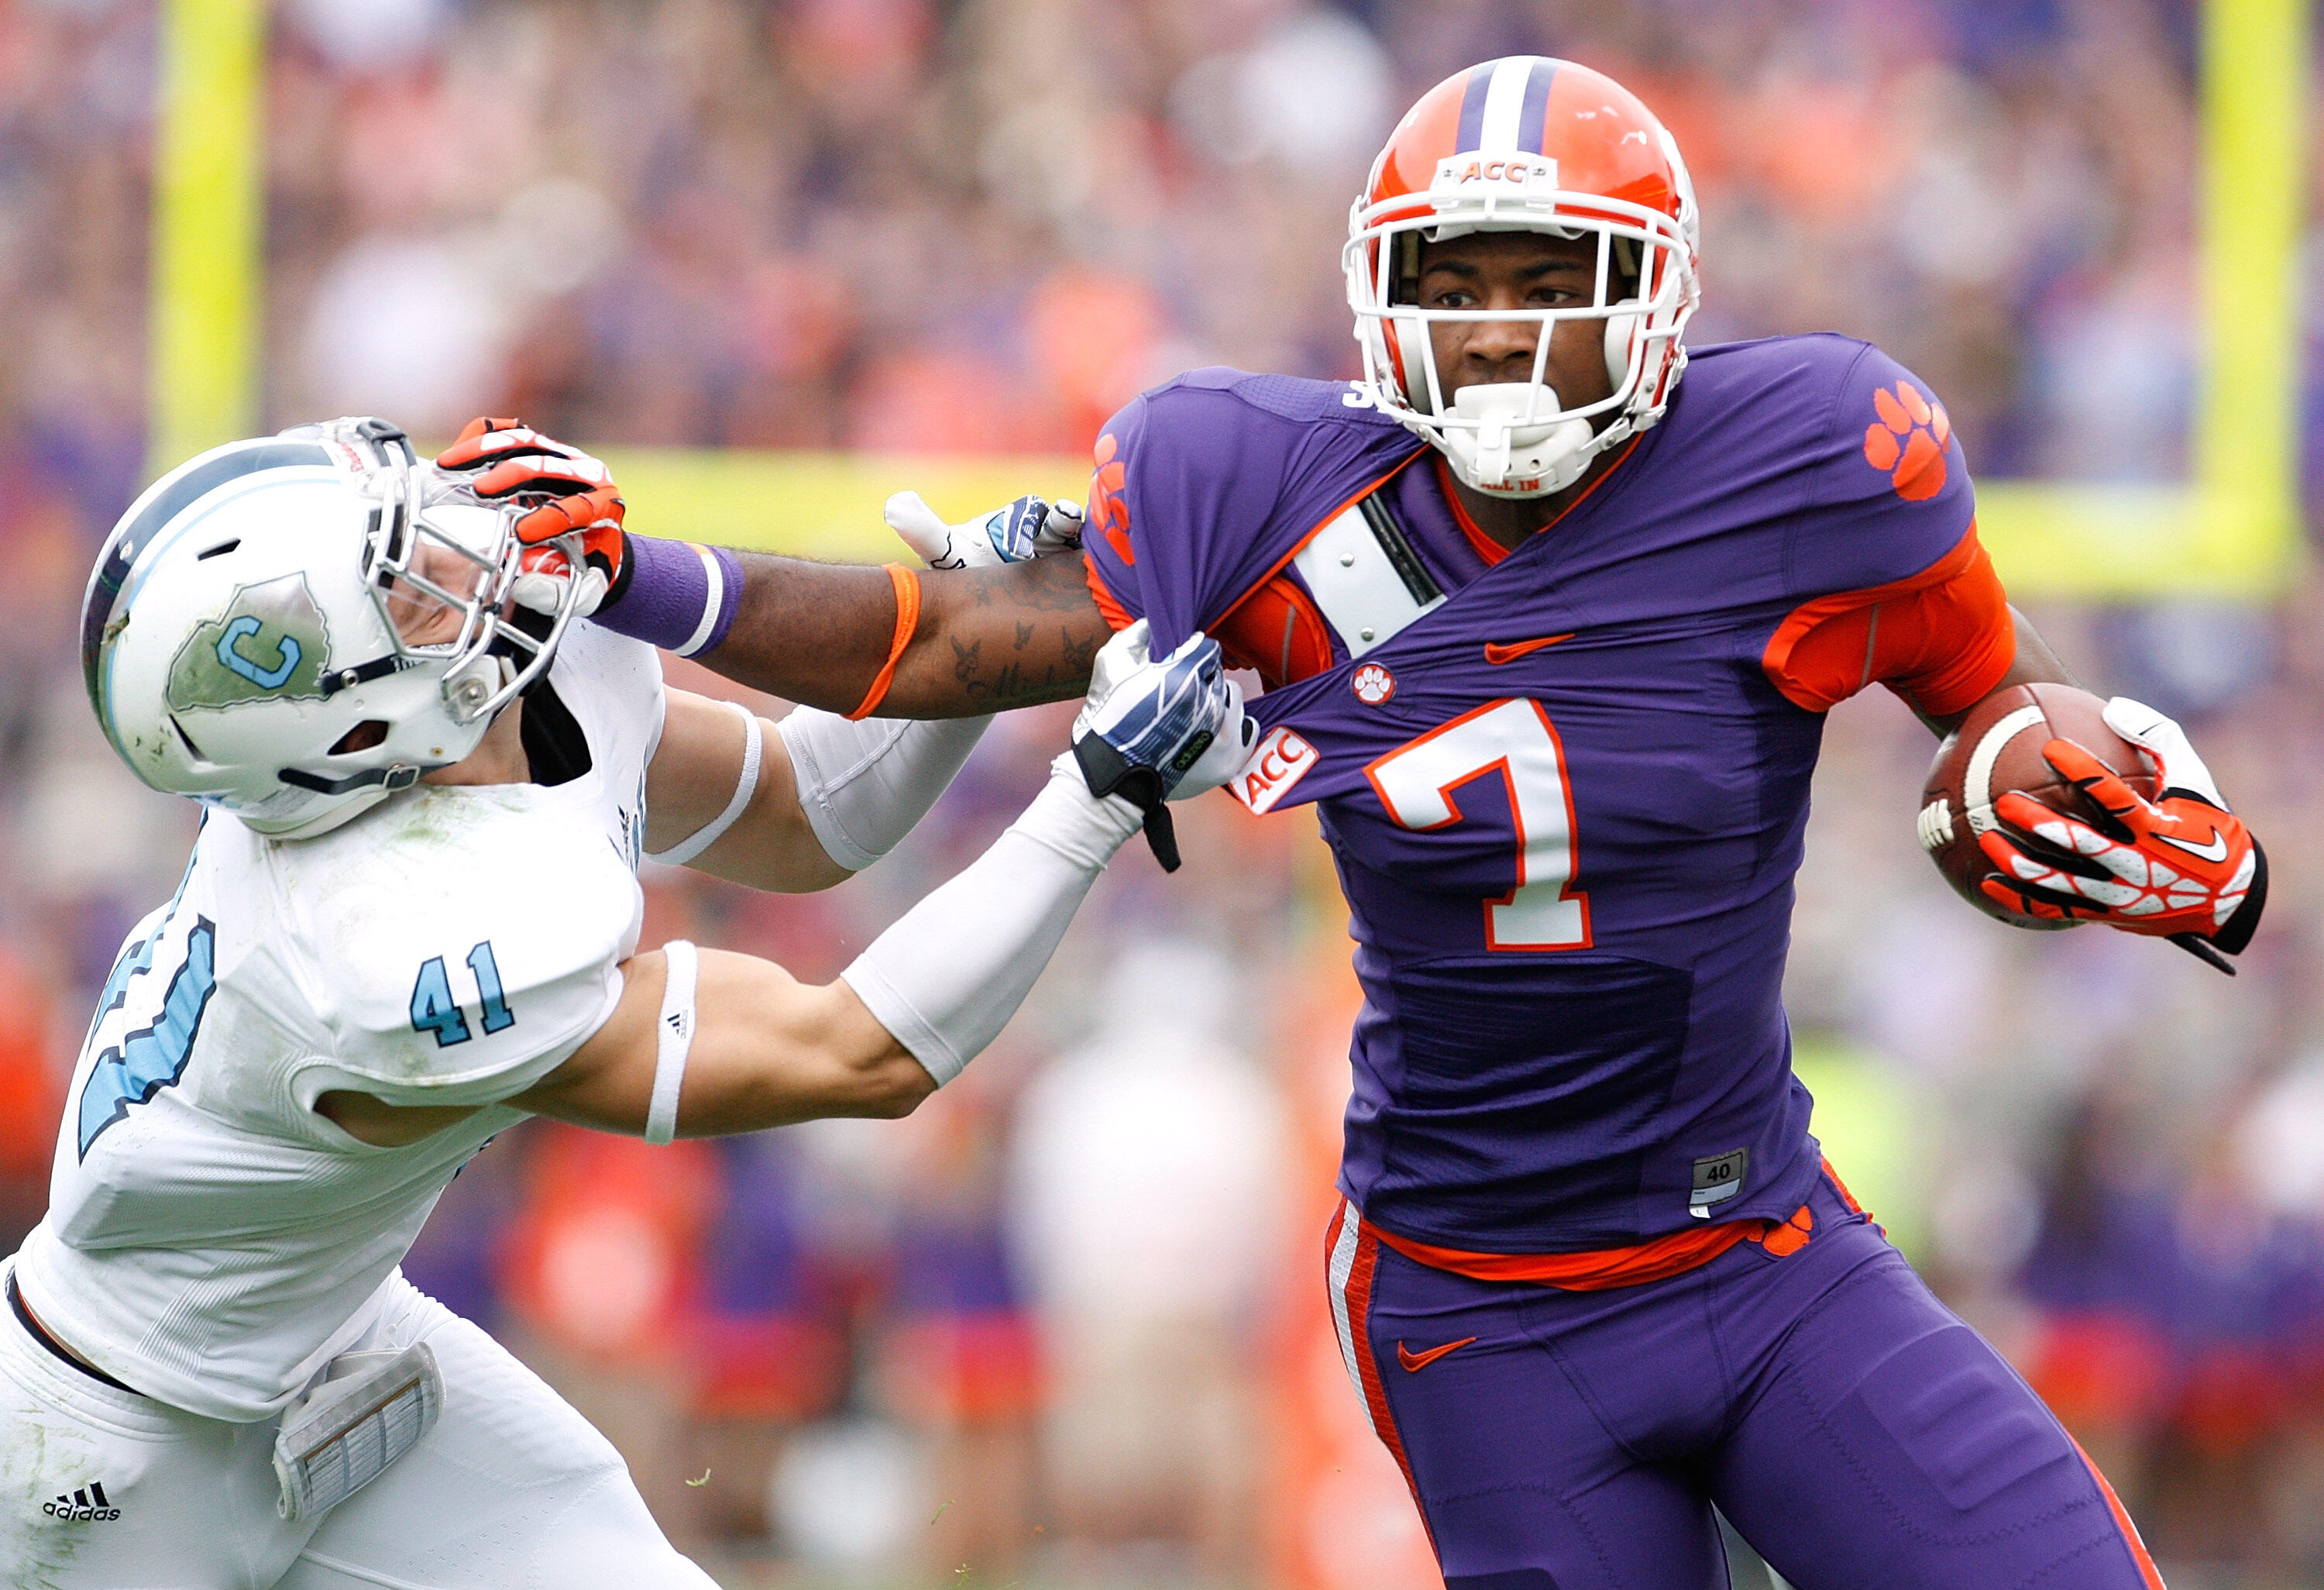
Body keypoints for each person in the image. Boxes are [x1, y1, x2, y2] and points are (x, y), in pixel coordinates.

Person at [448, 60, 2266, 1589]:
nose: (1499, 329)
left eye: (1549, 276)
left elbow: (1994, 694)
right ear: (1382, 292)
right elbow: (940, 641)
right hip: (1489, 1310)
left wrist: (2100, 803)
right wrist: (640, 573)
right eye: (1454, 282)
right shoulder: (1253, 487)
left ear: (1655, 292)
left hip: (1768, 1252)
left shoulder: (1812, 458)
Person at [3, 416, 1240, 1589]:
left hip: (328, 1341)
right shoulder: (371, 951)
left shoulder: (450, 727)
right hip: (108, 1458)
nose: (463, 556)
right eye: (406, 586)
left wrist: (974, 627)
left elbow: (807, 813)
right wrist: (1097, 794)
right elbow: (856, 1053)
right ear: (341, 724)